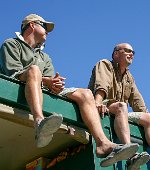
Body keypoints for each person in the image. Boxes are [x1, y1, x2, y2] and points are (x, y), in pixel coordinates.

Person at [0, 15, 140, 167]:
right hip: (24, 84)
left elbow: (49, 81)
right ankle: (39, 122)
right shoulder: (11, 44)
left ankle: (103, 144)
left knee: (86, 94)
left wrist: (55, 84)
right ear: (32, 26)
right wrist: (45, 80)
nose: (48, 31)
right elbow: (12, 74)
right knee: (34, 70)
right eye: (44, 26)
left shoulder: (44, 56)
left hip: (43, 89)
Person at [88, 43, 150, 170]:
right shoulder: (105, 64)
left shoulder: (129, 78)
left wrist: (148, 118)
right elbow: (101, 85)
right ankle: (131, 156)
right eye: (128, 51)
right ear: (116, 54)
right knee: (121, 106)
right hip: (104, 105)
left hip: (120, 112)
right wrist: (98, 103)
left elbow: (138, 103)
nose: (131, 54)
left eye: (133, 52)